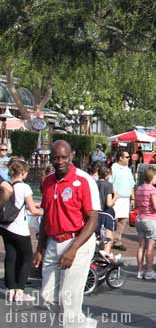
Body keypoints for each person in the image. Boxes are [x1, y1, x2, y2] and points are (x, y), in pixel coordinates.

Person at [34, 140, 100, 328]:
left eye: (64, 157)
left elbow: (92, 219)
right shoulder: (48, 182)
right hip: (54, 242)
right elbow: (46, 216)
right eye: (56, 158)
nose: (60, 161)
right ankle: (84, 325)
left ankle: (72, 324)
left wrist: (73, 249)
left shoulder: (84, 180)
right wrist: (40, 247)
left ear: (71, 156)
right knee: (48, 296)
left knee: (68, 299)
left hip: (78, 241)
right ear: (51, 159)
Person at [0, 158, 42, 302]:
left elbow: (21, 204)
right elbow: (32, 210)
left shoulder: (7, 185)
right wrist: (44, 211)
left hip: (5, 226)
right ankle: (20, 291)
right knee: (27, 257)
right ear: (23, 172)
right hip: (19, 228)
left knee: (10, 256)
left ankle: (10, 289)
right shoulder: (25, 187)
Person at [135, 167, 156, 279]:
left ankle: (139, 271)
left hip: (140, 218)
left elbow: (137, 205)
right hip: (151, 219)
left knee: (141, 246)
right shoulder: (152, 190)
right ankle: (149, 271)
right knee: (150, 247)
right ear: (152, 176)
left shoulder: (139, 188)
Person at [110, 149, 135, 251]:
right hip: (116, 198)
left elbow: (131, 184)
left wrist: (132, 197)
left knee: (123, 220)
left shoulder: (128, 170)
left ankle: (117, 240)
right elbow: (110, 183)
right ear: (120, 158)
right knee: (112, 220)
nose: (129, 159)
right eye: (127, 157)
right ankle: (109, 240)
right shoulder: (113, 168)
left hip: (125, 198)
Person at [95, 164, 119, 261]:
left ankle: (96, 249)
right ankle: (106, 254)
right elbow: (109, 203)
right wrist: (115, 197)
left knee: (96, 234)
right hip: (106, 213)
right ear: (107, 174)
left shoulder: (94, 183)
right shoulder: (108, 185)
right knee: (108, 236)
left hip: (95, 212)